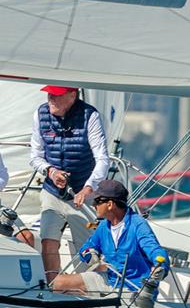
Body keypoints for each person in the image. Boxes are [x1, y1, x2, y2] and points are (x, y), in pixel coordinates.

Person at [29, 85, 110, 281]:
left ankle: (85, 288)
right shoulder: (40, 114)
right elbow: (35, 157)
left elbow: (103, 159)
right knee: (48, 241)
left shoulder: (89, 116)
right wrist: (51, 171)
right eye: (49, 94)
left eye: (56, 95)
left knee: (87, 250)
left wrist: (89, 187)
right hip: (52, 191)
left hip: (82, 194)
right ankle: (53, 285)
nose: (50, 99)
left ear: (72, 96)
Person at [52, 180, 169, 295]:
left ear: (110, 204)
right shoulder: (104, 226)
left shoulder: (138, 224)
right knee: (58, 283)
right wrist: (89, 254)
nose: (93, 205)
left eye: (97, 201)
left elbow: (154, 249)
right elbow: (86, 247)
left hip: (135, 288)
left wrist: (161, 265)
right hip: (110, 280)